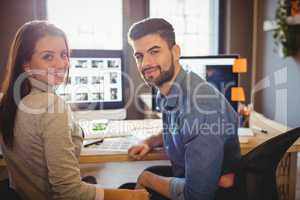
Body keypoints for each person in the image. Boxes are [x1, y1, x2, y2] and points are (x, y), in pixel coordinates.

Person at [0, 20, 148, 200]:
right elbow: (69, 192)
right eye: (48, 56)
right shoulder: (52, 106)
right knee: (133, 186)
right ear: (26, 64)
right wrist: (132, 197)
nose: (61, 63)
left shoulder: (11, 101)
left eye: (63, 54)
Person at [122, 18, 241, 200]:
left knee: (137, 182)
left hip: (211, 195)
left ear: (175, 52)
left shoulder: (200, 106)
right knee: (126, 189)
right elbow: (177, 128)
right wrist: (150, 141)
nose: (145, 63)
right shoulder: (171, 89)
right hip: (186, 176)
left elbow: (197, 195)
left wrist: (148, 179)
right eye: (139, 56)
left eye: (154, 51)